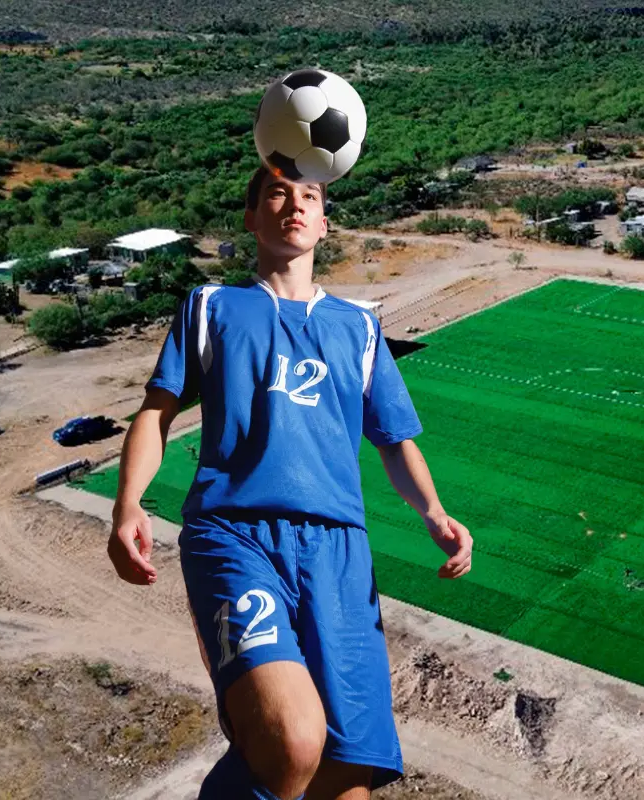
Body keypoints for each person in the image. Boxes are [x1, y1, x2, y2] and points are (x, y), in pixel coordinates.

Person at [107, 165, 473, 800]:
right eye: (276, 193)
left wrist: (436, 515)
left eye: (310, 196)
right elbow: (156, 411)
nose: (293, 205)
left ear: (325, 224)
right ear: (251, 218)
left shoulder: (358, 326)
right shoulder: (212, 306)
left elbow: (393, 439)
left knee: (346, 778)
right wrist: (128, 503)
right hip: (236, 535)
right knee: (292, 739)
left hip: (340, 552)